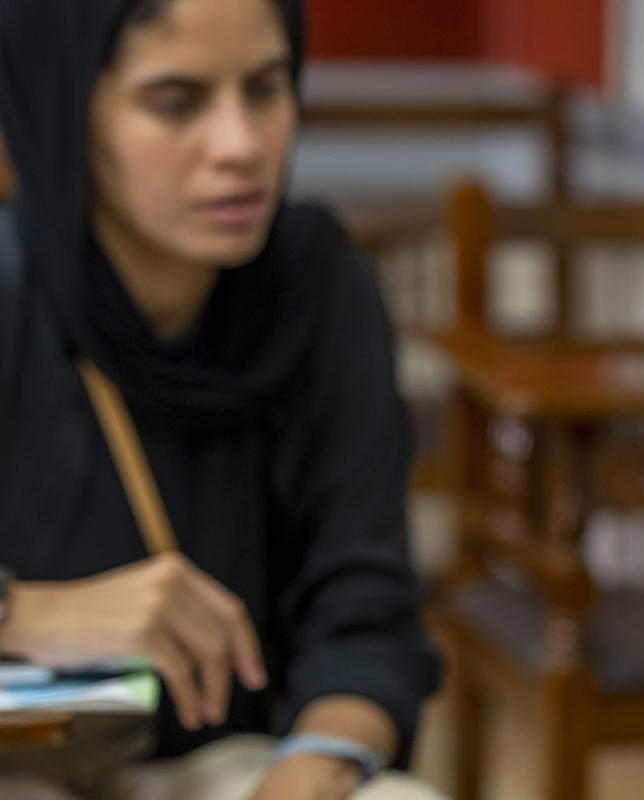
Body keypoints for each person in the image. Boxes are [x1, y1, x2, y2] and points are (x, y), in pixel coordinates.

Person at [0, 0, 440, 798]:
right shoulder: (10, 290)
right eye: (176, 102)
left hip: (244, 760)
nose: (241, 146)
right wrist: (25, 614)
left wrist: (314, 768)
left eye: (267, 90)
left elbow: (366, 611)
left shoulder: (316, 286)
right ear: (67, 109)